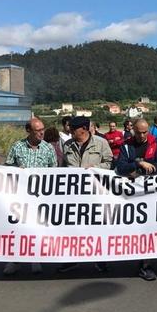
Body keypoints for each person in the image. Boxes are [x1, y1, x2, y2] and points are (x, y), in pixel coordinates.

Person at [3, 118, 57, 276]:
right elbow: (7, 168)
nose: (41, 132)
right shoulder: (17, 146)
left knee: (37, 227)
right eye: (37, 130)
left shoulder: (48, 148)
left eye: (43, 129)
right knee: (18, 228)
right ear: (29, 131)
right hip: (20, 196)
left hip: (40, 196)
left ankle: (36, 258)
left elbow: (54, 171)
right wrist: (15, 170)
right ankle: (15, 260)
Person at [59, 116, 113, 274]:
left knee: (97, 227)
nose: (70, 131)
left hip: (96, 193)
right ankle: (72, 259)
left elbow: (109, 163)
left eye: (73, 129)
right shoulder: (68, 145)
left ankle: (100, 259)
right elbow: (62, 167)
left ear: (83, 129)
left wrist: (94, 168)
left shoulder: (101, 143)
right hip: (74, 194)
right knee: (73, 227)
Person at [116, 118, 157, 281]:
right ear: (133, 131)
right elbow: (121, 167)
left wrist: (139, 168)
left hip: (151, 192)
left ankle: (146, 265)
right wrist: (140, 163)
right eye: (139, 132)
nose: (142, 135)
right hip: (131, 194)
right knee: (135, 229)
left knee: (150, 228)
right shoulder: (126, 145)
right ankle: (139, 261)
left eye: (145, 132)